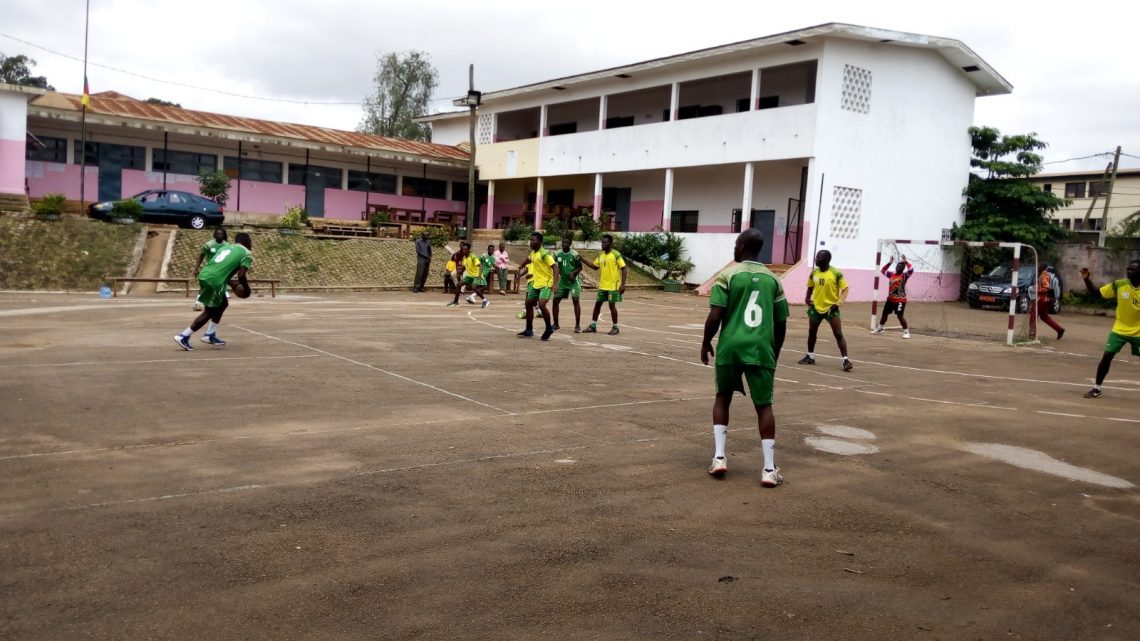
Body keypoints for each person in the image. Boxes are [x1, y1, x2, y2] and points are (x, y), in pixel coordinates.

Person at [701, 229, 789, 488]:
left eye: (735, 245)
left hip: (731, 347)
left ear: (740, 246)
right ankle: (769, 469)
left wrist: (706, 342)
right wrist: (775, 351)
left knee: (722, 398)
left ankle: (719, 458)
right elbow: (781, 322)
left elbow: (715, 316)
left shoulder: (727, 276)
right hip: (761, 348)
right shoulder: (774, 280)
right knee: (764, 406)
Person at [175, 232, 252, 350]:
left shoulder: (226, 247)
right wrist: (247, 289)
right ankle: (184, 336)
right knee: (210, 311)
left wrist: (231, 283)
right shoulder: (246, 253)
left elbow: (220, 268)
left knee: (223, 304)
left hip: (206, 274)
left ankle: (210, 334)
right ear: (246, 242)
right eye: (250, 242)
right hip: (214, 280)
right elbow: (241, 276)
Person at [1080, 260, 1140, 398]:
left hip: (1138, 332)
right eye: (1128, 269)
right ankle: (1096, 388)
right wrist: (1087, 280)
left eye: (1133, 270)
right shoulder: (1119, 284)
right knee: (1107, 356)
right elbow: (1097, 293)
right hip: (1119, 330)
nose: (1129, 272)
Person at [799, 250, 853, 371]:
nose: (816, 258)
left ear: (826, 259)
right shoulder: (814, 273)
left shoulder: (836, 273)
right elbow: (810, 286)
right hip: (816, 307)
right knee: (812, 332)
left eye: (818, 257)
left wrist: (838, 303)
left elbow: (845, 289)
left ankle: (846, 360)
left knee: (838, 333)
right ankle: (810, 356)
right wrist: (807, 298)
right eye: (816, 256)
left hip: (831, 308)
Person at [581, 234, 627, 335]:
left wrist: (623, 284)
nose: (602, 244)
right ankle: (593, 326)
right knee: (597, 305)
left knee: (612, 306)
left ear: (610, 243)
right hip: (603, 286)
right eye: (602, 242)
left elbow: (624, 268)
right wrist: (582, 260)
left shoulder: (616, 254)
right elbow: (594, 266)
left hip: (613, 286)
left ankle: (615, 327)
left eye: (605, 242)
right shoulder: (601, 255)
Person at [516, 232, 559, 340]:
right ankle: (529, 330)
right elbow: (529, 259)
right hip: (536, 283)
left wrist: (554, 284)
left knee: (541, 304)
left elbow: (555, 267)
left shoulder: (544, 254)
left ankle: (549, 327)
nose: (530, 242)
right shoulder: (533, 253)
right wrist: (522, 265)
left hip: (546, 283)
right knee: (529, 304)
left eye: (533, 240)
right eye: (530, 240)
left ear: (540, 242)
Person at [873, 255, 914, 338]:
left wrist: (906, 262)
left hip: (900, 300)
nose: (898, 267)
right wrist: (889, 263)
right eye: (897, 266)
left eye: (900, 267)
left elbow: (911, 269)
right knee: (884, 314)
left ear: (903, 269)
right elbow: (883, 270)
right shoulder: (891, 275)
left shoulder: (904, 276)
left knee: (899, 316)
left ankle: (906, 332)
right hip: (890, 300)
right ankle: (880, 329)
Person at [552, 235, 584, 333]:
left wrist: (573, 273)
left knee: (575, 300)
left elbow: (580, 267)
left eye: (567, 243)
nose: (565, 244)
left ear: (570, 244)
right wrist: (555, 283)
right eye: (563, 242)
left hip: (574, 282)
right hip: (563, 282)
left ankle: (578, 325)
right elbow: (551, 263)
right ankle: (556, 324)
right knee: (555, 301)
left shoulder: (575, 254)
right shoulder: (557, 254)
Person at [192, 227, 228, 310]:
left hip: (221, 270)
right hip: (210, 269)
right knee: (205, 285)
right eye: (218, 233)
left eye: (221, 233)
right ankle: (197, 303)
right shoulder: (208, 245)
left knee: (220, 285)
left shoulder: (227, 245)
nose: (220, 235)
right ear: (214, 235)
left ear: (224, 235)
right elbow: (201, 256)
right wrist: (196, 269)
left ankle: (218, 302)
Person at [1037, 265, 1064, 340]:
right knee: (1044, 317)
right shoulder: (1048, 275)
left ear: (1042, 268)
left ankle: (1032, 334)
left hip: (1042, 299)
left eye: (1039, 267)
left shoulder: (1043, 275)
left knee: (1033, 316)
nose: (1038, 268)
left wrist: (1037, 290)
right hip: (1047, 299)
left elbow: (1046, 287)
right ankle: (1059, 329)